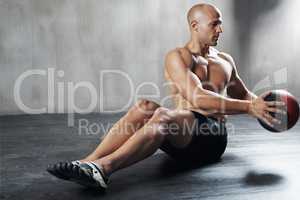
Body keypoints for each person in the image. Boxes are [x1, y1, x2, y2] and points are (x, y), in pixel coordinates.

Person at [47, 3, 286, 191]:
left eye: (220, 24)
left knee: (161, 114)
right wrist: (249, 107)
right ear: (195, 25)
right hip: (179, 134)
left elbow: (243, 94)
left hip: (211, 139)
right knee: (144, 106)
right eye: (214, 24)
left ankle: (103, 168)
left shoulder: (225, 60)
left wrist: (265, 107)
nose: (220, 30)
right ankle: (86, 163)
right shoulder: (178, 57)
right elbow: (198, 97)